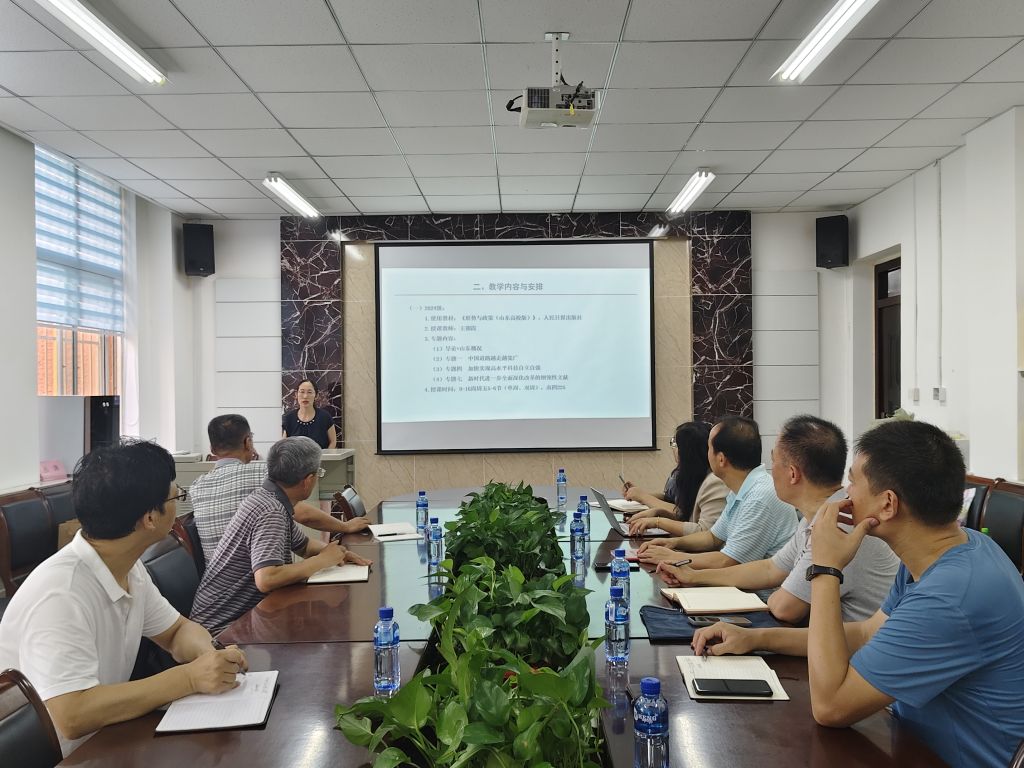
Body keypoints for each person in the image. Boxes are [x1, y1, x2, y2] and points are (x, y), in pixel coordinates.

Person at [692, 421, 1024, 768]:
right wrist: (756, 638)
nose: (845, 494)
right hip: (907, 741)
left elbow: (830, 707)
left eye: (852, 482)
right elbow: (867, 633)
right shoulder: (958, 547)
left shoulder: (950, 597)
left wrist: (826, 568)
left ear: (887, 504)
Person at [0, 441, 247, 757]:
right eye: (176, 497)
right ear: (150, 518)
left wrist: (209, 655)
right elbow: (72, 714)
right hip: (66, 755)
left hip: (107, 739)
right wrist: (188, 678)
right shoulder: (61, 593)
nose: (178, 505)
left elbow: (175, 631)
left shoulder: (128, 568)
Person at [656, 415, 898, 623]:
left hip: (853, 656)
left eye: (774, 462)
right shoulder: (819, 514)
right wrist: (693, 576)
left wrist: (776, 594)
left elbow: (785, 608)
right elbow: (771, 568)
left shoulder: (840, 525)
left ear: (792, 474)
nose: (770, 471)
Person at [191, 437, 372, 635]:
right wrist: (322, 560)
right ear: (308, 481)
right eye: (318, 473)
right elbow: (266, 579)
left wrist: (339, 553)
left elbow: (304, 546)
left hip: (238, 620)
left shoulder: (269, 500)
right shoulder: (271, 511)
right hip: (220, 631)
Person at [192, 414, 369, 562]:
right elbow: (303, 514)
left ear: (212, 449)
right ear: (248, 442)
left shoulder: (196, 486)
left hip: (217, 580)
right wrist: (345, 527)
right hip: (253, 581)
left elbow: (302, 544)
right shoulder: (261, 474)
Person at [636, 416, 799, 569]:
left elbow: (728, 561)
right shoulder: (742, 488)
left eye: (709, 447)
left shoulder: (759, 497)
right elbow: (712, 537)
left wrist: (673, 557)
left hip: (760, 589)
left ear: (721, 459)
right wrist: (674, 543)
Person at [623, 421, 729, 537]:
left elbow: (705, 533)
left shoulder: (714, 481)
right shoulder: (686, 475)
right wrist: (658, 512)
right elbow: (679, 508)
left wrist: (658, 521)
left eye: (676, 444)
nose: (674, 449)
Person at [282, 378, 336, 448]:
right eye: (302, 392)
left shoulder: (325, 417)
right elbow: (284, 445)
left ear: (316, 396)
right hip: (296, 455)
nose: (305, 396)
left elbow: (333, 441)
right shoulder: (289, 418)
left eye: (309, 392)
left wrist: (326, 454)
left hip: (321, 455)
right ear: (296, 395)